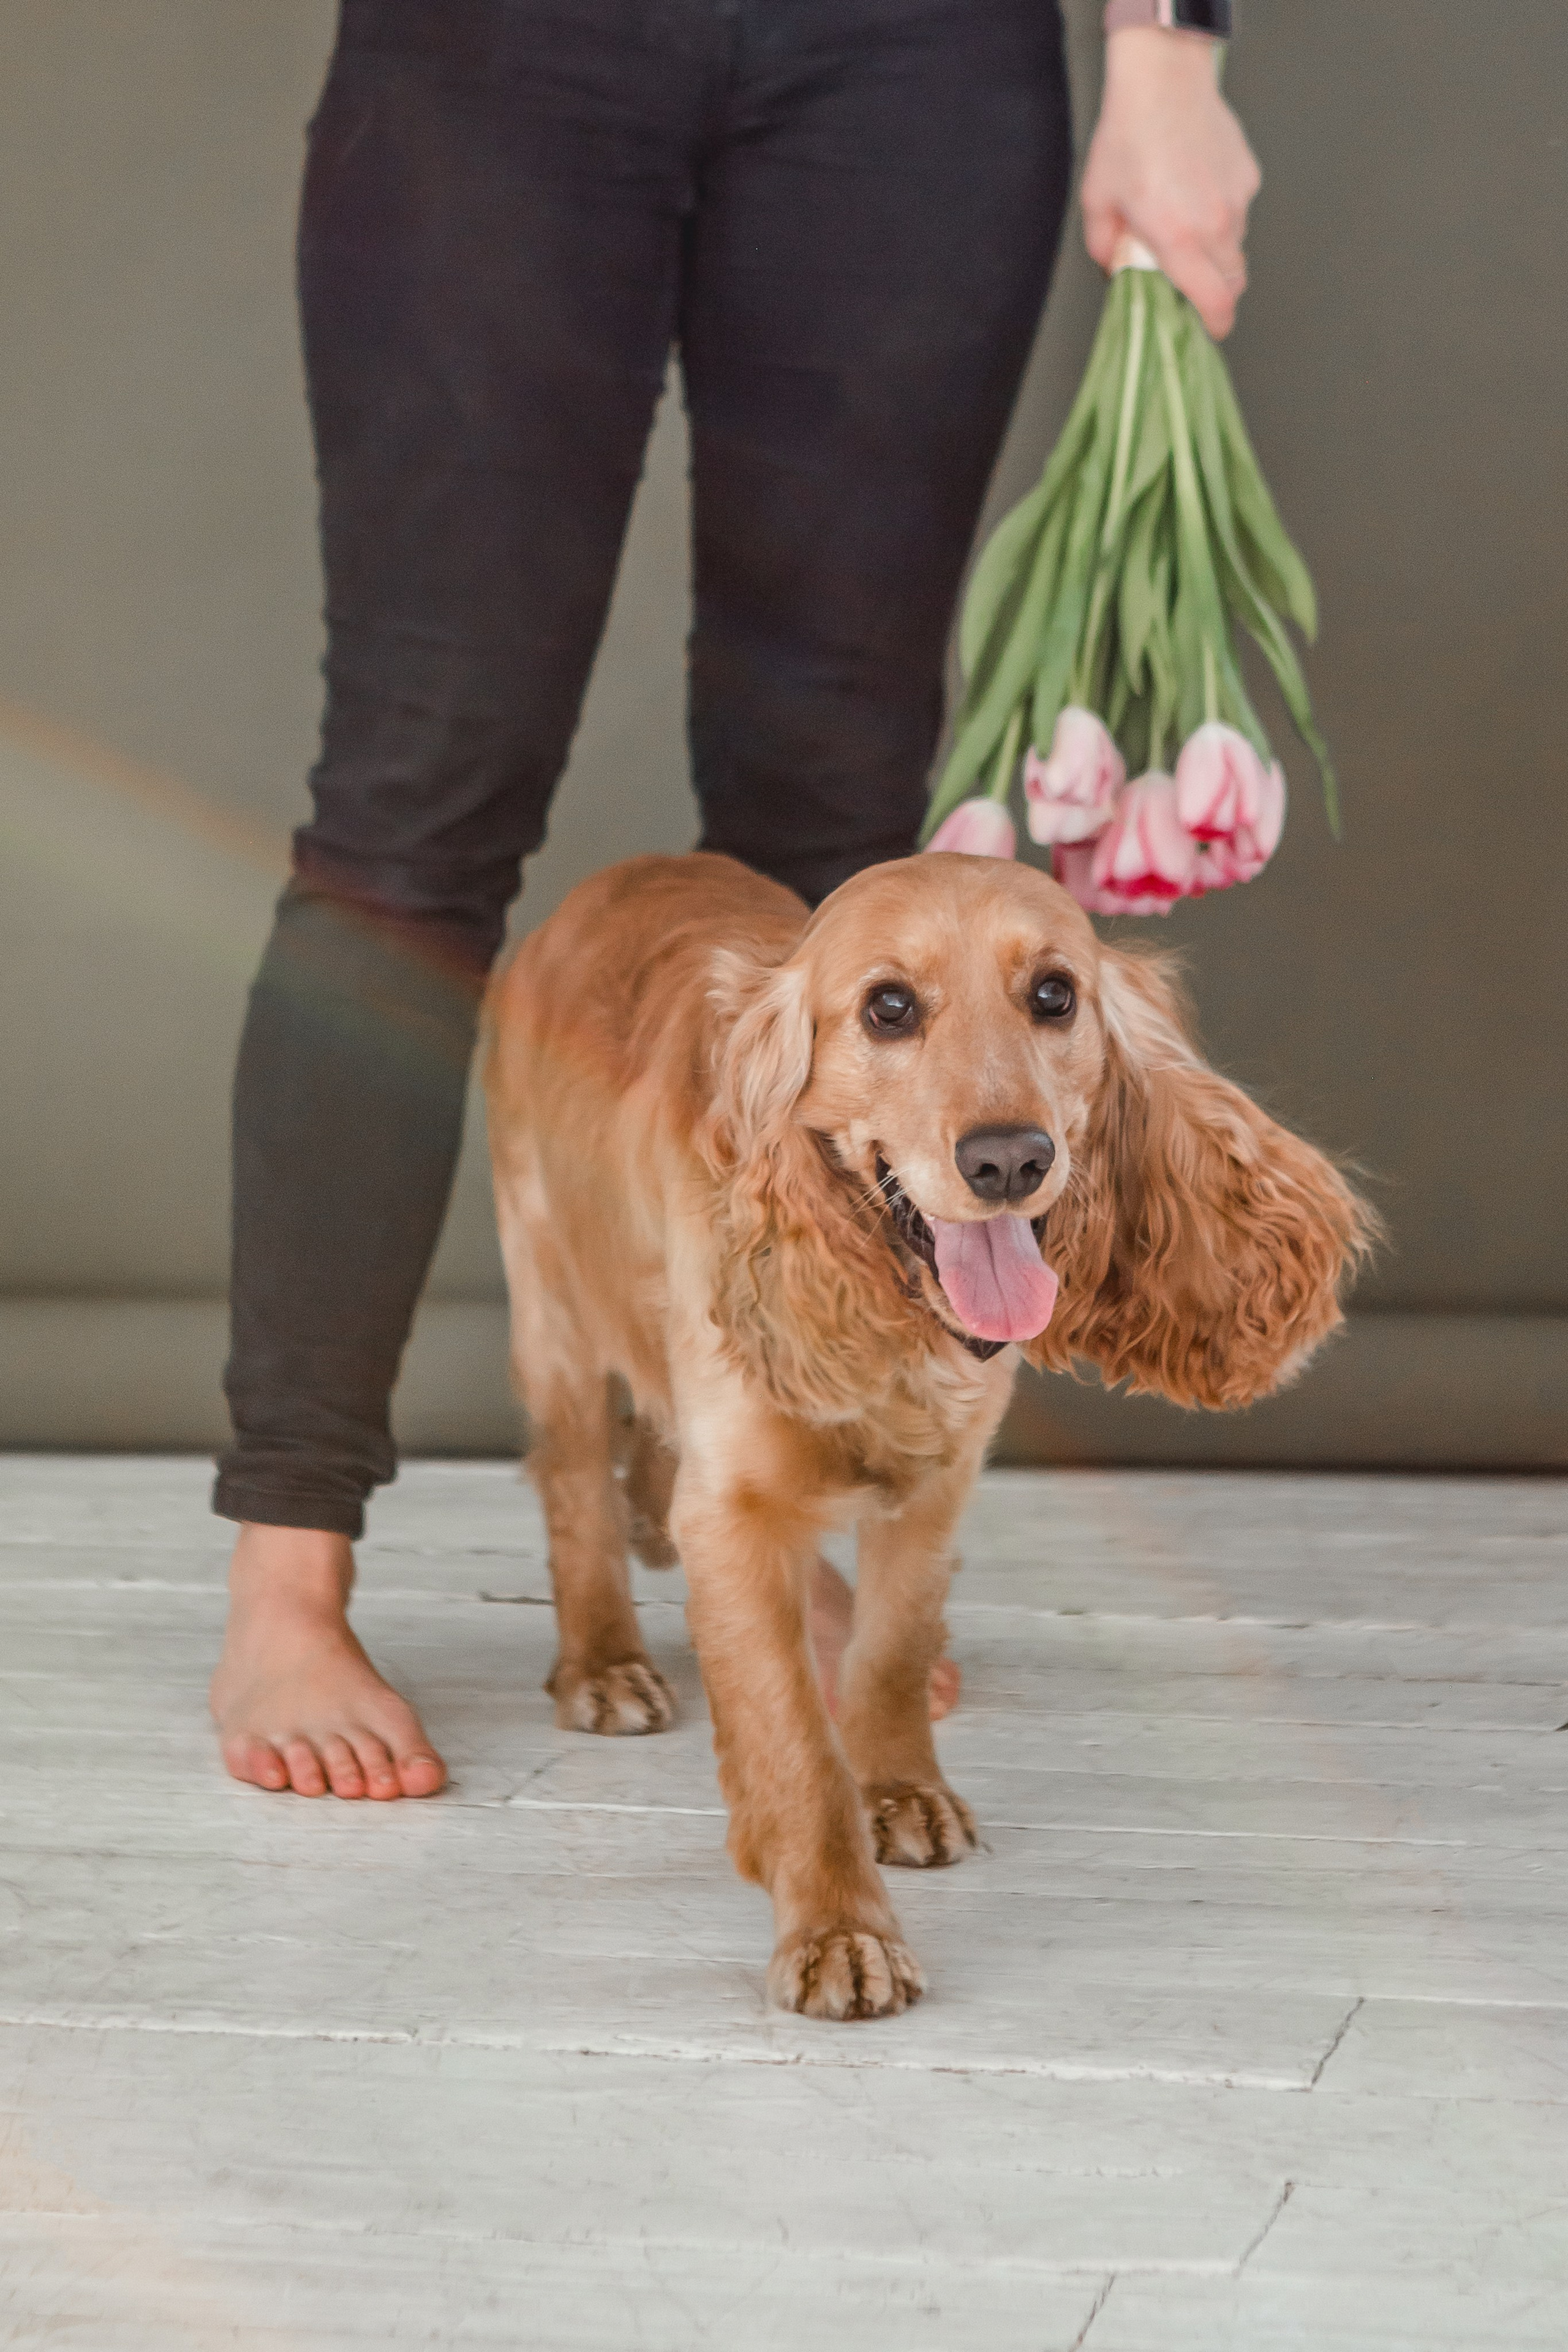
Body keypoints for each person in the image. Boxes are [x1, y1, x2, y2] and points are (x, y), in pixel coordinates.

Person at [210, 0, 1259, 1801]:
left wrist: (1170, 64)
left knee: (839, 843)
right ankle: (287, 1577)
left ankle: (790, 1485)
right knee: (411, 820)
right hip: (494, 62)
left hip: (908, 60)